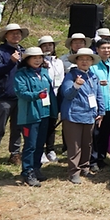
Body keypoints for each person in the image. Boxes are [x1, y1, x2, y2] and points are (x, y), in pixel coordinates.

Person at [12, 46, 58, 186]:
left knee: (39, 144)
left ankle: (36, 168)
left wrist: (54, 111)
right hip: (30, 115)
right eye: (34, 58)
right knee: (30, 145)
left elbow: (50, 93)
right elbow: (21, 92)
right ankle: (27, 172)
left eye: (40, 58)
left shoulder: (44, 72)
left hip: (44, 113)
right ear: (27, 60)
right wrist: (36, 95)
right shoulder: (21, 74)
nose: (38, 60)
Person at [59, 47, 104, 184]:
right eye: (81, 59)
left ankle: (85, 167)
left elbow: (98, 95)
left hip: (89, 115)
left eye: (88, 59)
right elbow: (66, 94)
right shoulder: (71, 75)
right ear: (76, 61)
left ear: (91, 61)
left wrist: (101, 112)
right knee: (74, 145)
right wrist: (76, 86)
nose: (85, 62)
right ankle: (74, 172)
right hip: (73, 115)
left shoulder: (93, 76)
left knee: (87, 143)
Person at [0, 23, 28, 168]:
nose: (16, 36)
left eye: (18, 33)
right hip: (4, 96)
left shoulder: (23, 51)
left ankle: (15, 154)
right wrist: (11, 62)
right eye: (12, 33)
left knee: (17, 127)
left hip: (20, 96)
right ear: (6, 36)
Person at [90, 40, 110, 173]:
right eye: (103, 48)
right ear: (97, 49)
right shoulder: (93, 65)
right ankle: (93, 160)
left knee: (105, 133)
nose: (106, 50)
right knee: (95, 134)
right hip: (97, 105)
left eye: (109, 48)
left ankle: (101, 158)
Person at [37, 35, 64, 163]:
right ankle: (41, 150)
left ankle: (51, 149)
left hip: (57, 94)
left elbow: (62, 79)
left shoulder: (58, 62)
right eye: (44, 45)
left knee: (52, 123)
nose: (48, 47)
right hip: (43, 95)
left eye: (50, 45)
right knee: (42, 122)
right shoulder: (38, 62)